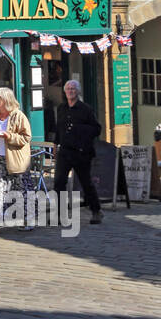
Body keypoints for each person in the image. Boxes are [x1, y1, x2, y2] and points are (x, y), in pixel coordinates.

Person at [0, 87, 34, 233]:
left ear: (5, 99)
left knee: (23, 189)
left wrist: (8, 136)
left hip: (16, 160)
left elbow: (26, 137)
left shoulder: (18, 116)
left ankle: (28, 220)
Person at [52, 78, 103, 224]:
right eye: (68, 89)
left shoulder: (86, 109)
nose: (70, 91)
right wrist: (55, 145)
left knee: (85, 182)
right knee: (59, 182)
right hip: (65, 151)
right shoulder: (61, 108)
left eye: (73, 89)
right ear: (64, 92)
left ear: (78, 91)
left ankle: (96, 211)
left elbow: (96, 129)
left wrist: (79, 130)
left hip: (81, 152)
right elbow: (58, 129)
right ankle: (60, 214)